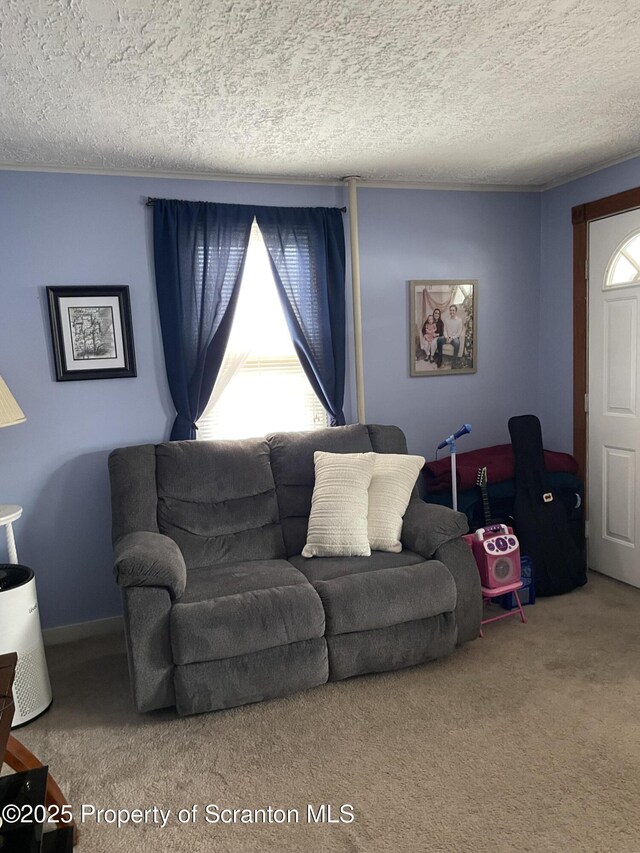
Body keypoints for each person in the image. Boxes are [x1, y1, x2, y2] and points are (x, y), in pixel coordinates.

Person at [436, 304, 463, 368]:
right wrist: (446, 337)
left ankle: (454, 361)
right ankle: (440, 358)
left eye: (453, 310)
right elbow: (444, 330)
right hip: (447, 337)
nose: (452, 312)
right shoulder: (446, 319)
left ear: (456, 311)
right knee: (439, 340)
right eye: (451, 310)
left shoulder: (459, 320)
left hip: (454, 338)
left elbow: (459, 332)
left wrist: (452, 338)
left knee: (457, 343)